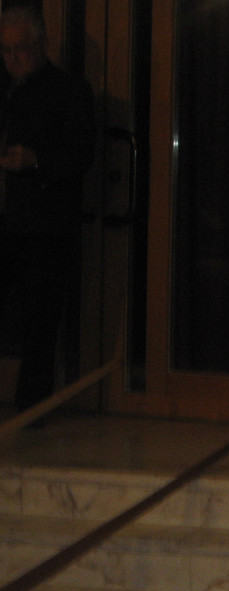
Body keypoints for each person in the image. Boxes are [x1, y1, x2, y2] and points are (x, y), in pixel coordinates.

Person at [0, 6, 94, 411]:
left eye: (20, 49)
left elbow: (80, 156)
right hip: (5, 220)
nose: (12, 58)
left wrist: (35, 160)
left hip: (44, 227)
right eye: (5, 50)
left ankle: (32, 411)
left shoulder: (69, 91)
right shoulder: (4, 90)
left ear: (42, 45)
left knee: (39, 322)